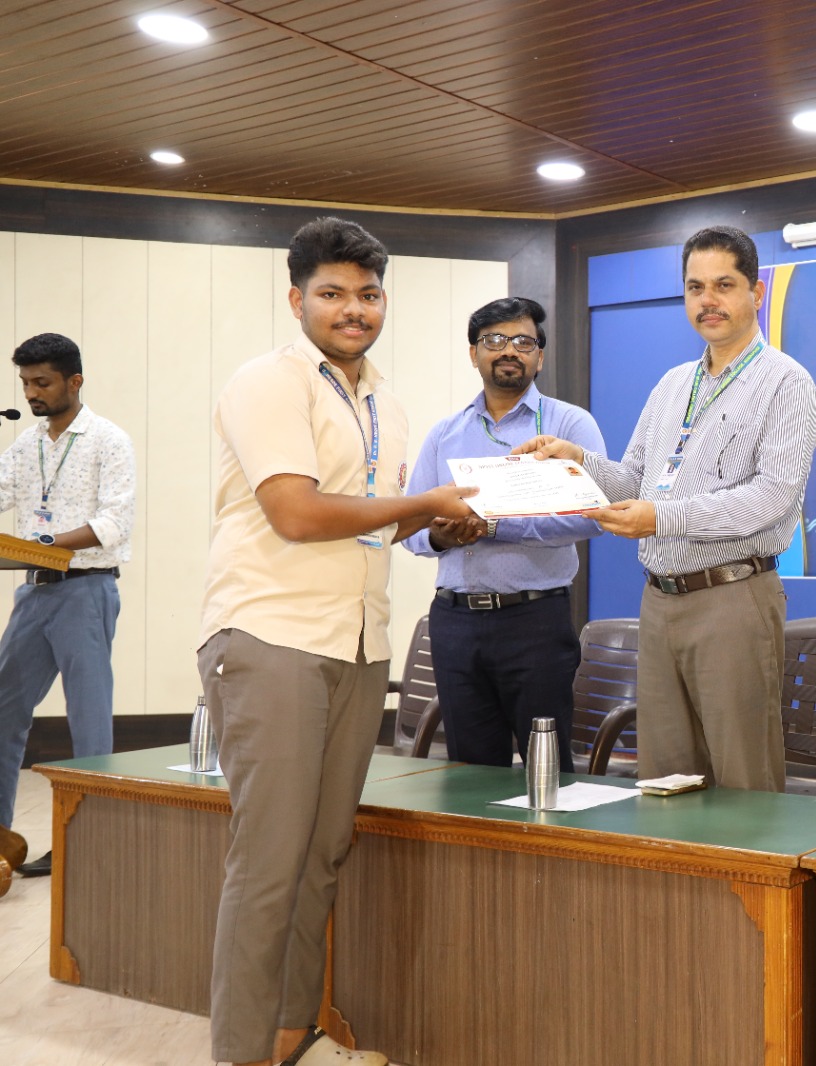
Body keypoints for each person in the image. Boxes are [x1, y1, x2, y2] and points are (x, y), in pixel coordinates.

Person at [197, 217, 476, 1066]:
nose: (353, 309)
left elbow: (370, 524)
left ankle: (289, 1031)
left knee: (321, 855)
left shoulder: (384, 402)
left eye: (368, 294)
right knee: (268, 862)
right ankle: (239, 1052)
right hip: (271, 635)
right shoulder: (268, 383)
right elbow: (297, 512)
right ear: (297, 300)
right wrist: (423, 504)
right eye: (332, 294)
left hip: (358, 644)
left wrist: (442, 526)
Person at [520, 226, 816, 791]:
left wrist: (659, 518)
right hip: (659, 603)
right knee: (665, 779)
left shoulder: (786, 382)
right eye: (695, 287)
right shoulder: (672, 385)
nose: (708, 301)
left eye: (723, 285)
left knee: (743, 780)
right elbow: (634, 480)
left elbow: (772, 498)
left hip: (733, 598)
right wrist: (576, 459)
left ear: (756, 293)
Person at [403, 297, 605, 770]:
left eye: (523, 341)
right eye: (494, 340)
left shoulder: (569, 424)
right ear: (473, 353)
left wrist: (495, 525)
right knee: (469, 773)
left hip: (534, 621)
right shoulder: (444, 434)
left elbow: (595, 515)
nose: (509, 350)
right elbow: (411, 527)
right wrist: (444, 538)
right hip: (454, 622)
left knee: (546, 769)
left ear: (540, 357)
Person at [0, 333, 135, 880]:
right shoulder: (25, 444)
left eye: (43, 382)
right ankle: (0, 839)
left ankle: (86, 842)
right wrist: (36, 554)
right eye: (25, 383)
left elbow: (114, 522)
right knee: (3, 711)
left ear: (75, 381)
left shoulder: (108, 440)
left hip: (85, 589)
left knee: (88, 724)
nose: (32, 393)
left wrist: (47, 545)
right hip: (33, 593)